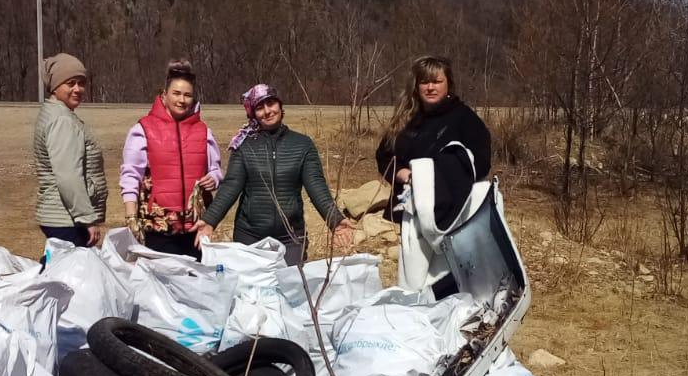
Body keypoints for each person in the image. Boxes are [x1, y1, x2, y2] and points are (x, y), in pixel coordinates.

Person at [194, 84, 354, 265]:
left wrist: (336, 221)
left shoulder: (302, 145)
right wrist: (210, 221)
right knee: (251, 291)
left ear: (280, 106)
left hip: (291, 237)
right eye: (260, 107)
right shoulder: (245, 145)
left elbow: (316, 186)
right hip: (250, 236)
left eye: (271, 104)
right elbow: (231, 185)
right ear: (253, 113)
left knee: (291, 289)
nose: (267, 111)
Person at [119, 59, 223, 259]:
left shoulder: (203, 131)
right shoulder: (143, 129)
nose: (182, 100)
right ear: (164, 95)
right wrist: (131, 216)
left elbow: (216, 169)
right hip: (158, 228)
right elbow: (131, 175)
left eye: (187, 95)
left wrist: (215, 178)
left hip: (195, 229)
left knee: (193, 284)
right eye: (176, 93)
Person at [376, 55, 492, 224]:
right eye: (424, 82)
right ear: (416, 86)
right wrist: (406, 175)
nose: (430, 87)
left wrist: (435, 178)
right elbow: (384, 157)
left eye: (437, 81)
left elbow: (480, 164)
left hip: (449, 215)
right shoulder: (406, 117)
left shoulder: (465, 118)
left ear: (448, 84)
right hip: (406, 210)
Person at [33, 52, 107, 247]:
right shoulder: (62, 120)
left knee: (61, 270)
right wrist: (86, 218)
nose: (77, 89)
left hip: (63, 216)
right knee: (73, 275)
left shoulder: (57, 114)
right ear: (55, 86)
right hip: (67, 219)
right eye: (71, 83)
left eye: (81, 83)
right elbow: (68, 175)